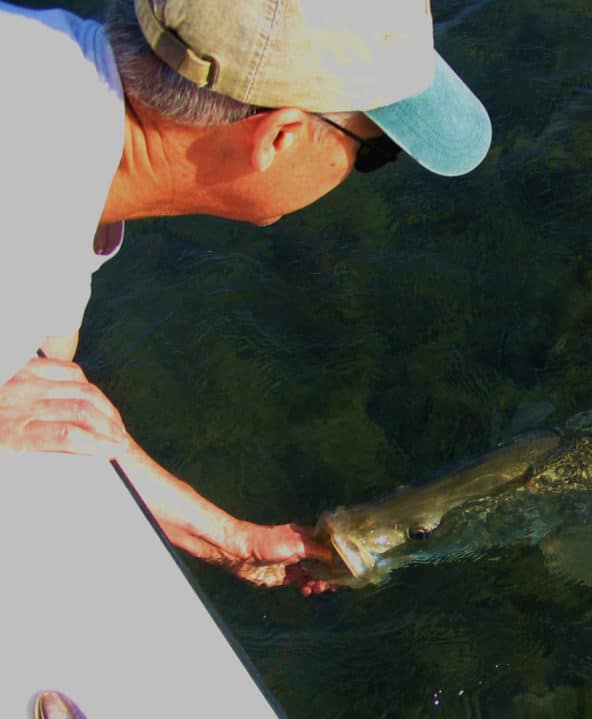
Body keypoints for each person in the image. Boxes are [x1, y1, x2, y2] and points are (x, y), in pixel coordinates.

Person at [0, 0, 492, 595]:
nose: (354, 171)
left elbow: (48, 397)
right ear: (279, 136)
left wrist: (225, 538)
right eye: (371, 152)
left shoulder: (53, 98)